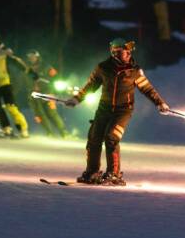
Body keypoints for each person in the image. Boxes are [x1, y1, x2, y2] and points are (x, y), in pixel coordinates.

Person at [64, 38, 169, 186]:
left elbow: (147, 89)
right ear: (114, 53)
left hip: (123, 111)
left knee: (111, 137)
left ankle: (113, 174)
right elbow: (90, 86)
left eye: (127, 52)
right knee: (94, 137)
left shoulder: (134, 71)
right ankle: (92, 172)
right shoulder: (103, 68)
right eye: (122, 52)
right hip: (104, 109)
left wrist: (160, 103)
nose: (126, 55)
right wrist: (76, 99)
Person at [25, 50, 67, 139]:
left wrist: (52, 89)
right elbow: (25, 80)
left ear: (37, 57)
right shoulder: (27, 68)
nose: (31, 58)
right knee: (39, 115)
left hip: (46, 93)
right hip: (33, 94)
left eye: (33, 56)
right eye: (30, 57)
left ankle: (63, 132)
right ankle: (49, 132)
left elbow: (56, 76)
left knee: (52, 113)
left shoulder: (45, 67)